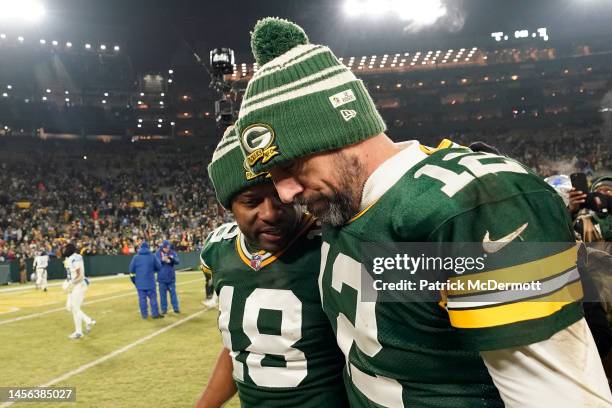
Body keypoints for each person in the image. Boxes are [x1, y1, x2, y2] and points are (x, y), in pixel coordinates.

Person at [235, 18, 612, 407]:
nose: (285, 193)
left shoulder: (471, 202)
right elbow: (418, 316)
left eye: (292, 166)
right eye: (272, 175)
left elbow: (555, 398)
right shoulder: (347, 206)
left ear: (341, 132)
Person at [195, 127, 348, 408]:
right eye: (251, 201)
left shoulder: (333, 243)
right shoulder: (218, 250)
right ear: (228, 206)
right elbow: (243, 348)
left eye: (279, 196)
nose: (270, 213)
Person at [62, 243, 95, 339]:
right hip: (75, 284)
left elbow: (79, 276)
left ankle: (87, 321)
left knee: (75, 308)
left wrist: (71, 283)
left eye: (65, 248)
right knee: (70, 307)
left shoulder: (73, 258)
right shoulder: (73, 258)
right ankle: (80, 330)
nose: (63, 250)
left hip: (78, 284)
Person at [129, 241, 163, 320]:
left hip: (140, 283)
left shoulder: (136, 257)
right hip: (150, 282)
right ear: (148, 248)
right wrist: (153, 270)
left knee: (142, 299)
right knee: (153, 298)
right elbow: (159, 266)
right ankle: (155, 314)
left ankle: (144, 315)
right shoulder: (152, 256)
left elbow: (131, 271)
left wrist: (135, 281)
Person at [155, 240, 180, 314]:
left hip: (171, 277)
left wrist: (171, 259)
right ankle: (164, 309)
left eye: (168, 248)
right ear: (162, 247)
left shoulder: (172, 252)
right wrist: (162, 260)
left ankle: (176, 308)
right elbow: (155, 263)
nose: (167, 249)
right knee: (163, 295)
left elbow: (178, 261)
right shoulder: (158, 253)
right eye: (165, 248)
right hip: (162, 278)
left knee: (173, 294)